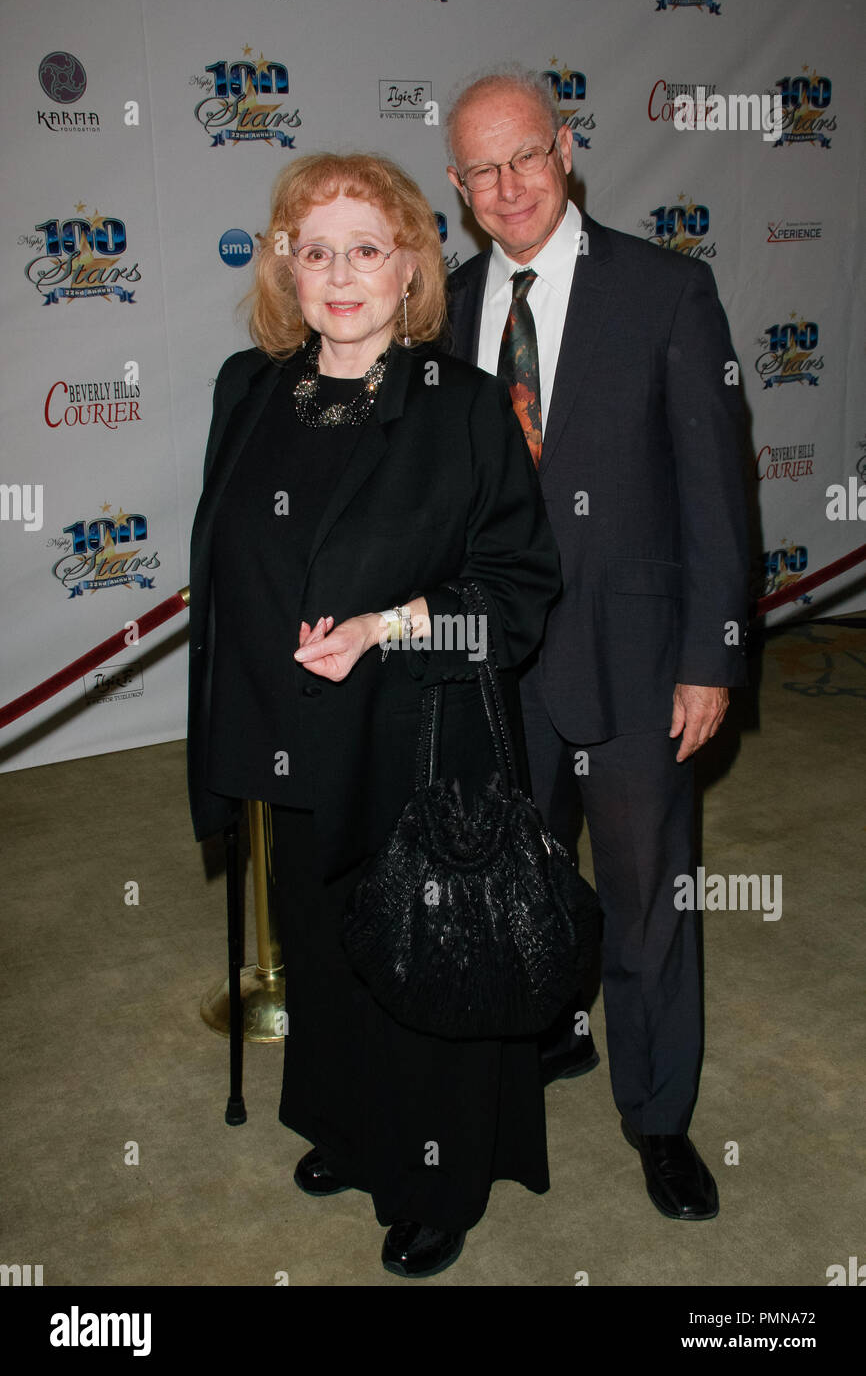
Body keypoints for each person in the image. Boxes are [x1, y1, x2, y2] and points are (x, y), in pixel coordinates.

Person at [186, 152, 563, 1277]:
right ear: (284, 269)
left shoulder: (461, 409)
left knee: (418, 959)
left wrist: (388, 625)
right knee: (322, 945)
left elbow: (514, 595)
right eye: (315, 250)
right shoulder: (246, 389)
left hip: (415, 745)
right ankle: (350, 1131)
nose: (339, 274)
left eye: (366, 248)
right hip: (285, 743)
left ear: (410, 267)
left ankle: (434, 1175)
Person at [444, 66, 750, 1221]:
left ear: (566, 146)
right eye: (481, 168)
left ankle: (658, 1117)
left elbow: (715, 497)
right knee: (515, 890)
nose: (507, 184)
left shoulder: (667, 291)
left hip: (634, 668)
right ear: (459, 186)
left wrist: (709, 657)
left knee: (646, 903)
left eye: (524, 154)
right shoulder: (451, 303)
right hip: (493, 671)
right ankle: (552, 1035)